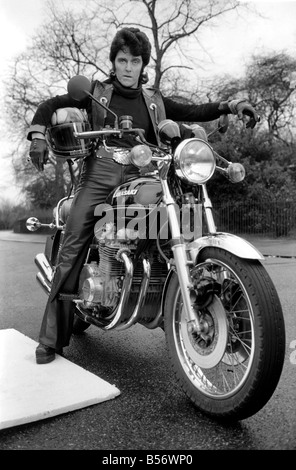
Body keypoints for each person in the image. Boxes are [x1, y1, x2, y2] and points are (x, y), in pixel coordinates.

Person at [27, 27, 259, 364]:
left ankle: (170, 303)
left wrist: (232, 104)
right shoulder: (95, 92)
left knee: (172, 226)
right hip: (100, 172)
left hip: (142, 172)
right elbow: (51, 104)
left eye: (134, 60)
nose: (127, 66)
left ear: (142, 64)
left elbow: (194, 110)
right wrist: (37, 134)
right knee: (74, 241)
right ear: (114, 62)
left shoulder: (154, 100)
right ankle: (51, 338)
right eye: (122, 60)